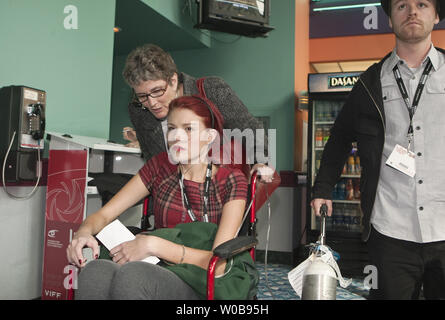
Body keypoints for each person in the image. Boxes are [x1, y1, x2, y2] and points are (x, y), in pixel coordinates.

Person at [311, 0, 445, 299]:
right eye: (401, 5)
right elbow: (340, 137)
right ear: (389, 19)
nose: (412, 11)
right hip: (389, 230)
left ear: (436, 15)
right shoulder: (370, 82)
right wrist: (322, 187)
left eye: (422, 4)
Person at [66, 96, 256, 299]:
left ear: (209, 137)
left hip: (206, 277)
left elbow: (217, 265)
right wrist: (82, 233)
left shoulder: (232, 180)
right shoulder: (160, 166)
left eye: (188, 129)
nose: (177, 136)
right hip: (158, 264)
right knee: (95, 272)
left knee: (135, 276)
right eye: (172, 128)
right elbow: (103, 216)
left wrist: (153, 245)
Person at [121, 43, 274, 182]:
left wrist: (260, 162)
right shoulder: (138, 111)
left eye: (157, 91)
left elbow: (250, 129)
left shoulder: (212, 90)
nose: (152, 103)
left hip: (221, 189)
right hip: (174, 194)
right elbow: (152, 160)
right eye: (142, 96)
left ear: (173, 81)